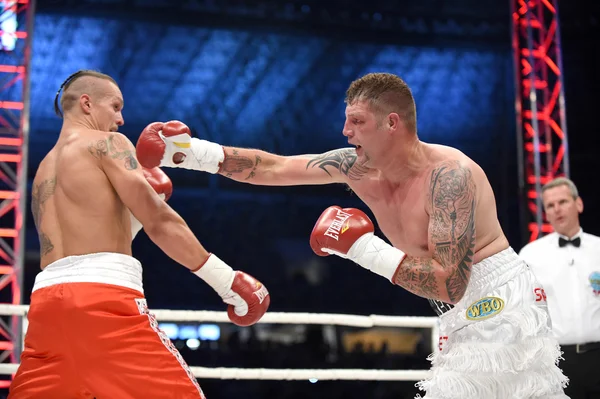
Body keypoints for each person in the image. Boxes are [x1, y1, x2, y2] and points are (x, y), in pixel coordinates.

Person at [136, 72, 569, 398]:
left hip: (496, 295)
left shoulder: (448, 178)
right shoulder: (355, 165)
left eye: (357, 122)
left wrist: (362, 248)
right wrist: (192, 154)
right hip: (455, 307)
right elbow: (273, 166)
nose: (346, 132)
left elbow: (450, 283)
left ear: (391, 123)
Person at [9, 70, 270, 399]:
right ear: (87, 104)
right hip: (105, 304)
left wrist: (130, 220)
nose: (121, 119)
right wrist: (225, 281)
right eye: (115, 106)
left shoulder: (43, 171)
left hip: (46, 310)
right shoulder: (108, 144)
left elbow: (86, 247)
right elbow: (160, 222)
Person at [519, 177, 600, 398]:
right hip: (556, 361)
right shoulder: (531, 255)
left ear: (579, 204)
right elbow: (522, 311)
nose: (557, 210)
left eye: (562, 202)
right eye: (550, 206)